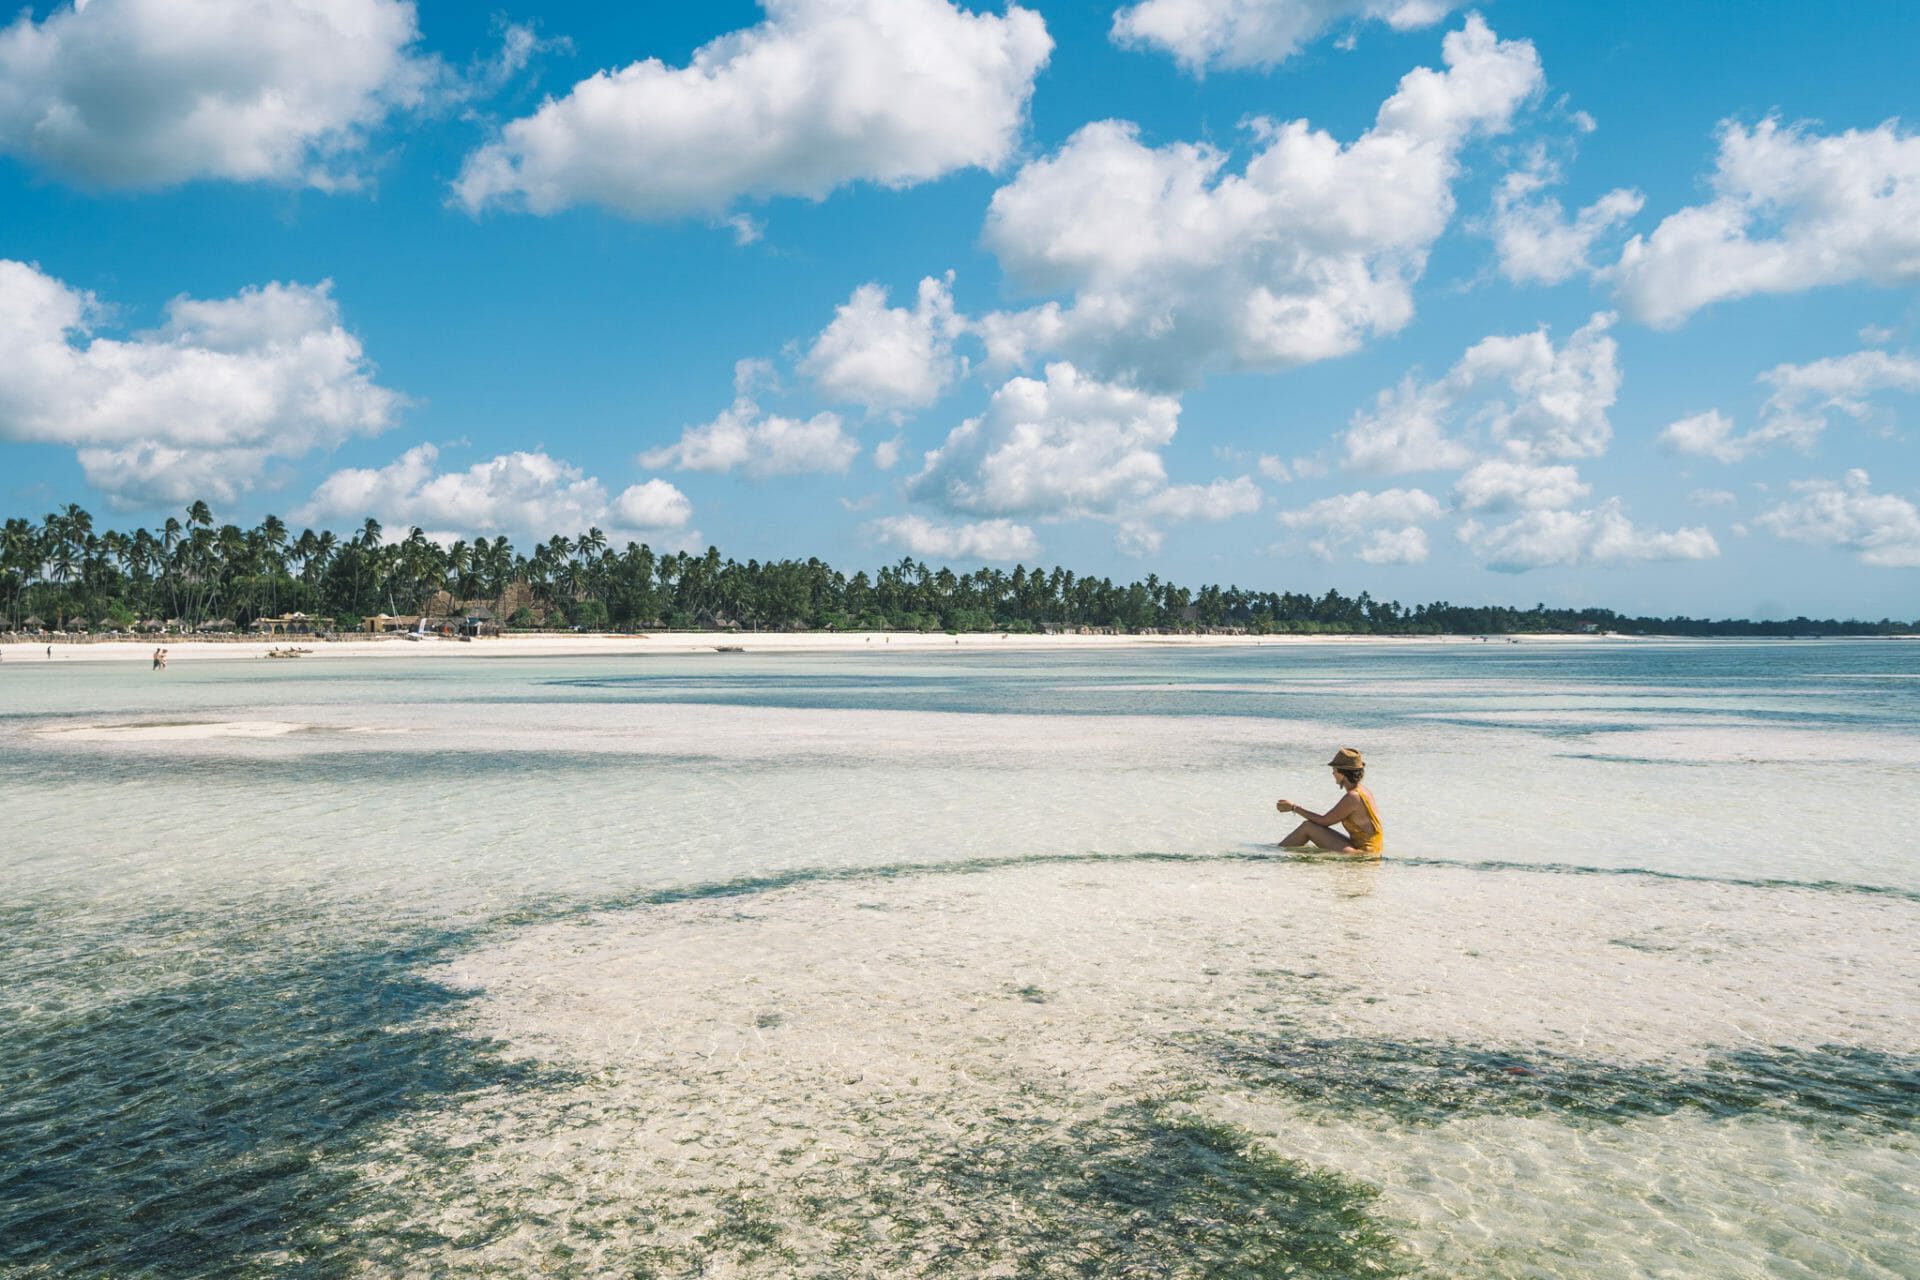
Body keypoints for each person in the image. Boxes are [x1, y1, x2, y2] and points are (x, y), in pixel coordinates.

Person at [1276, 748, 1384, 855]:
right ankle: (1279, 850)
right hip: (1368, 849)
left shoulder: (1353, 796)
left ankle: (1276, 854)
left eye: (1334, 770)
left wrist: (1294, 808)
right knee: (1309, 826)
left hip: (1362, 853)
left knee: (1308, 827)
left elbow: (1324, 821)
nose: (1333, 774)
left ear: (1342, 774)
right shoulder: (1364, 791)